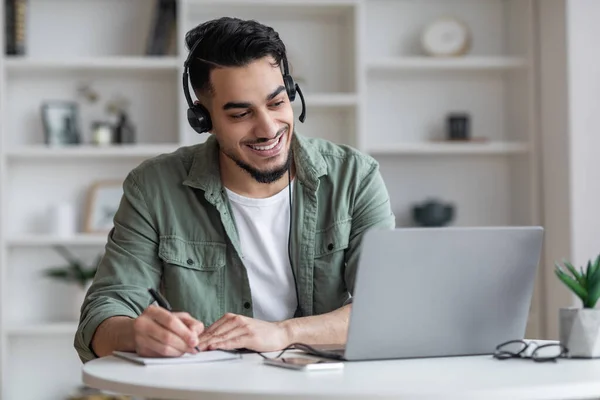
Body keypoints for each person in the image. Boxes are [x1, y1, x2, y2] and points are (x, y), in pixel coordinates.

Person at [74, 16, 395, 363]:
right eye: (241, 114)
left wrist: (282, 333)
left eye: (277, 103)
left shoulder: (355, 177)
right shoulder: (154, 187)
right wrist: (135, 334)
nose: (268, 129)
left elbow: (386, 311)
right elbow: (101, 316)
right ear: (204, 120)